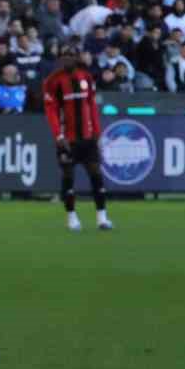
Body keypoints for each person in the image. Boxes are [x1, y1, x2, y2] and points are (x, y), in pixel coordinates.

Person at [42, 44, 112, 232]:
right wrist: (58, 135)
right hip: (67, 139)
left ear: (76, 57)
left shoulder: (86, 77)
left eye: (70, 55)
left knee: (96, 175)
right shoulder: (52, 81)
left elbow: (92, 106)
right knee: (68, 177)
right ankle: (72, 217)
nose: (67, 59)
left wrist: (97, 132)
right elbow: (51, 111)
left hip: (87, 137)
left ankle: (102, 217)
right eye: (63, 56)